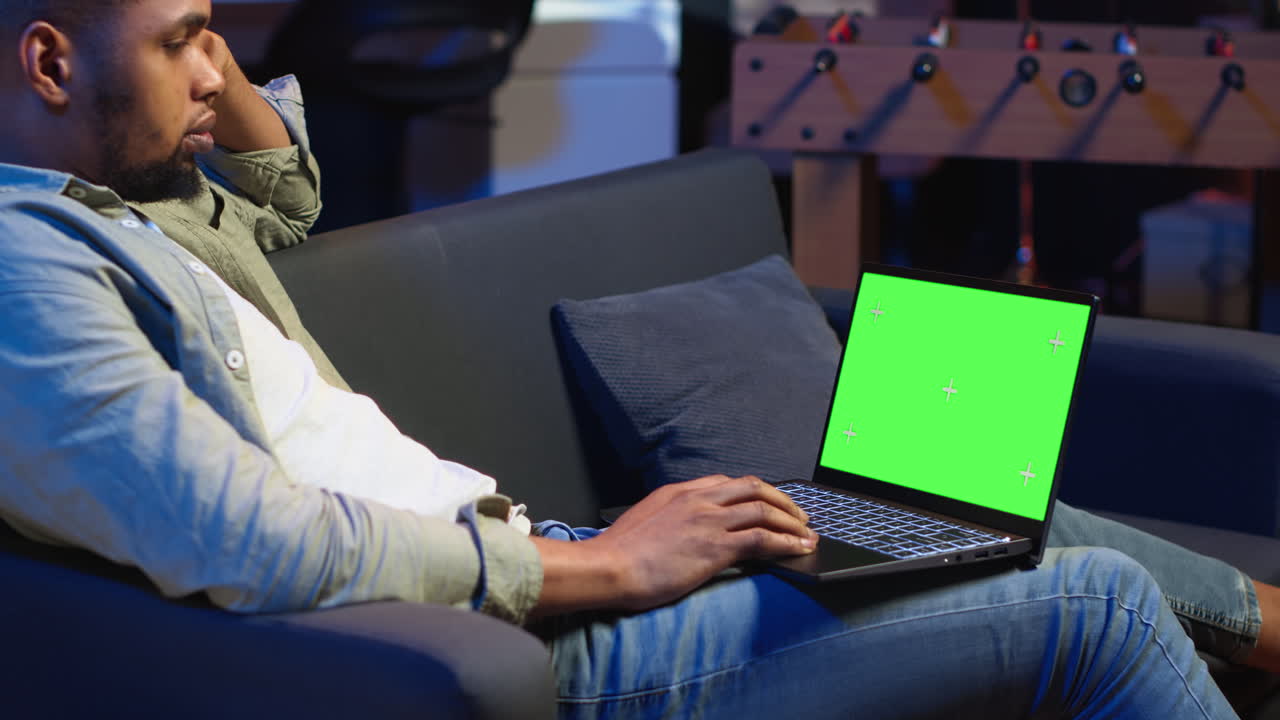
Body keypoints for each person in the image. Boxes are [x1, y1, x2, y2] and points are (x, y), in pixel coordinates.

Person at [0, 1, 1269, 717]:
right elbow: (244, 540)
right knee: (1098, 605)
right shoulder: (26, 270)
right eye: (180, 40)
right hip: (531, 635)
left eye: (213, 35)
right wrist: (606, 563)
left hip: (541, 560)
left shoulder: (128, 202)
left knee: (936, 509)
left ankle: (1255, 625)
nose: (212, 71)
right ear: (50, 61)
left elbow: (285, 190)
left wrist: (193, 51)